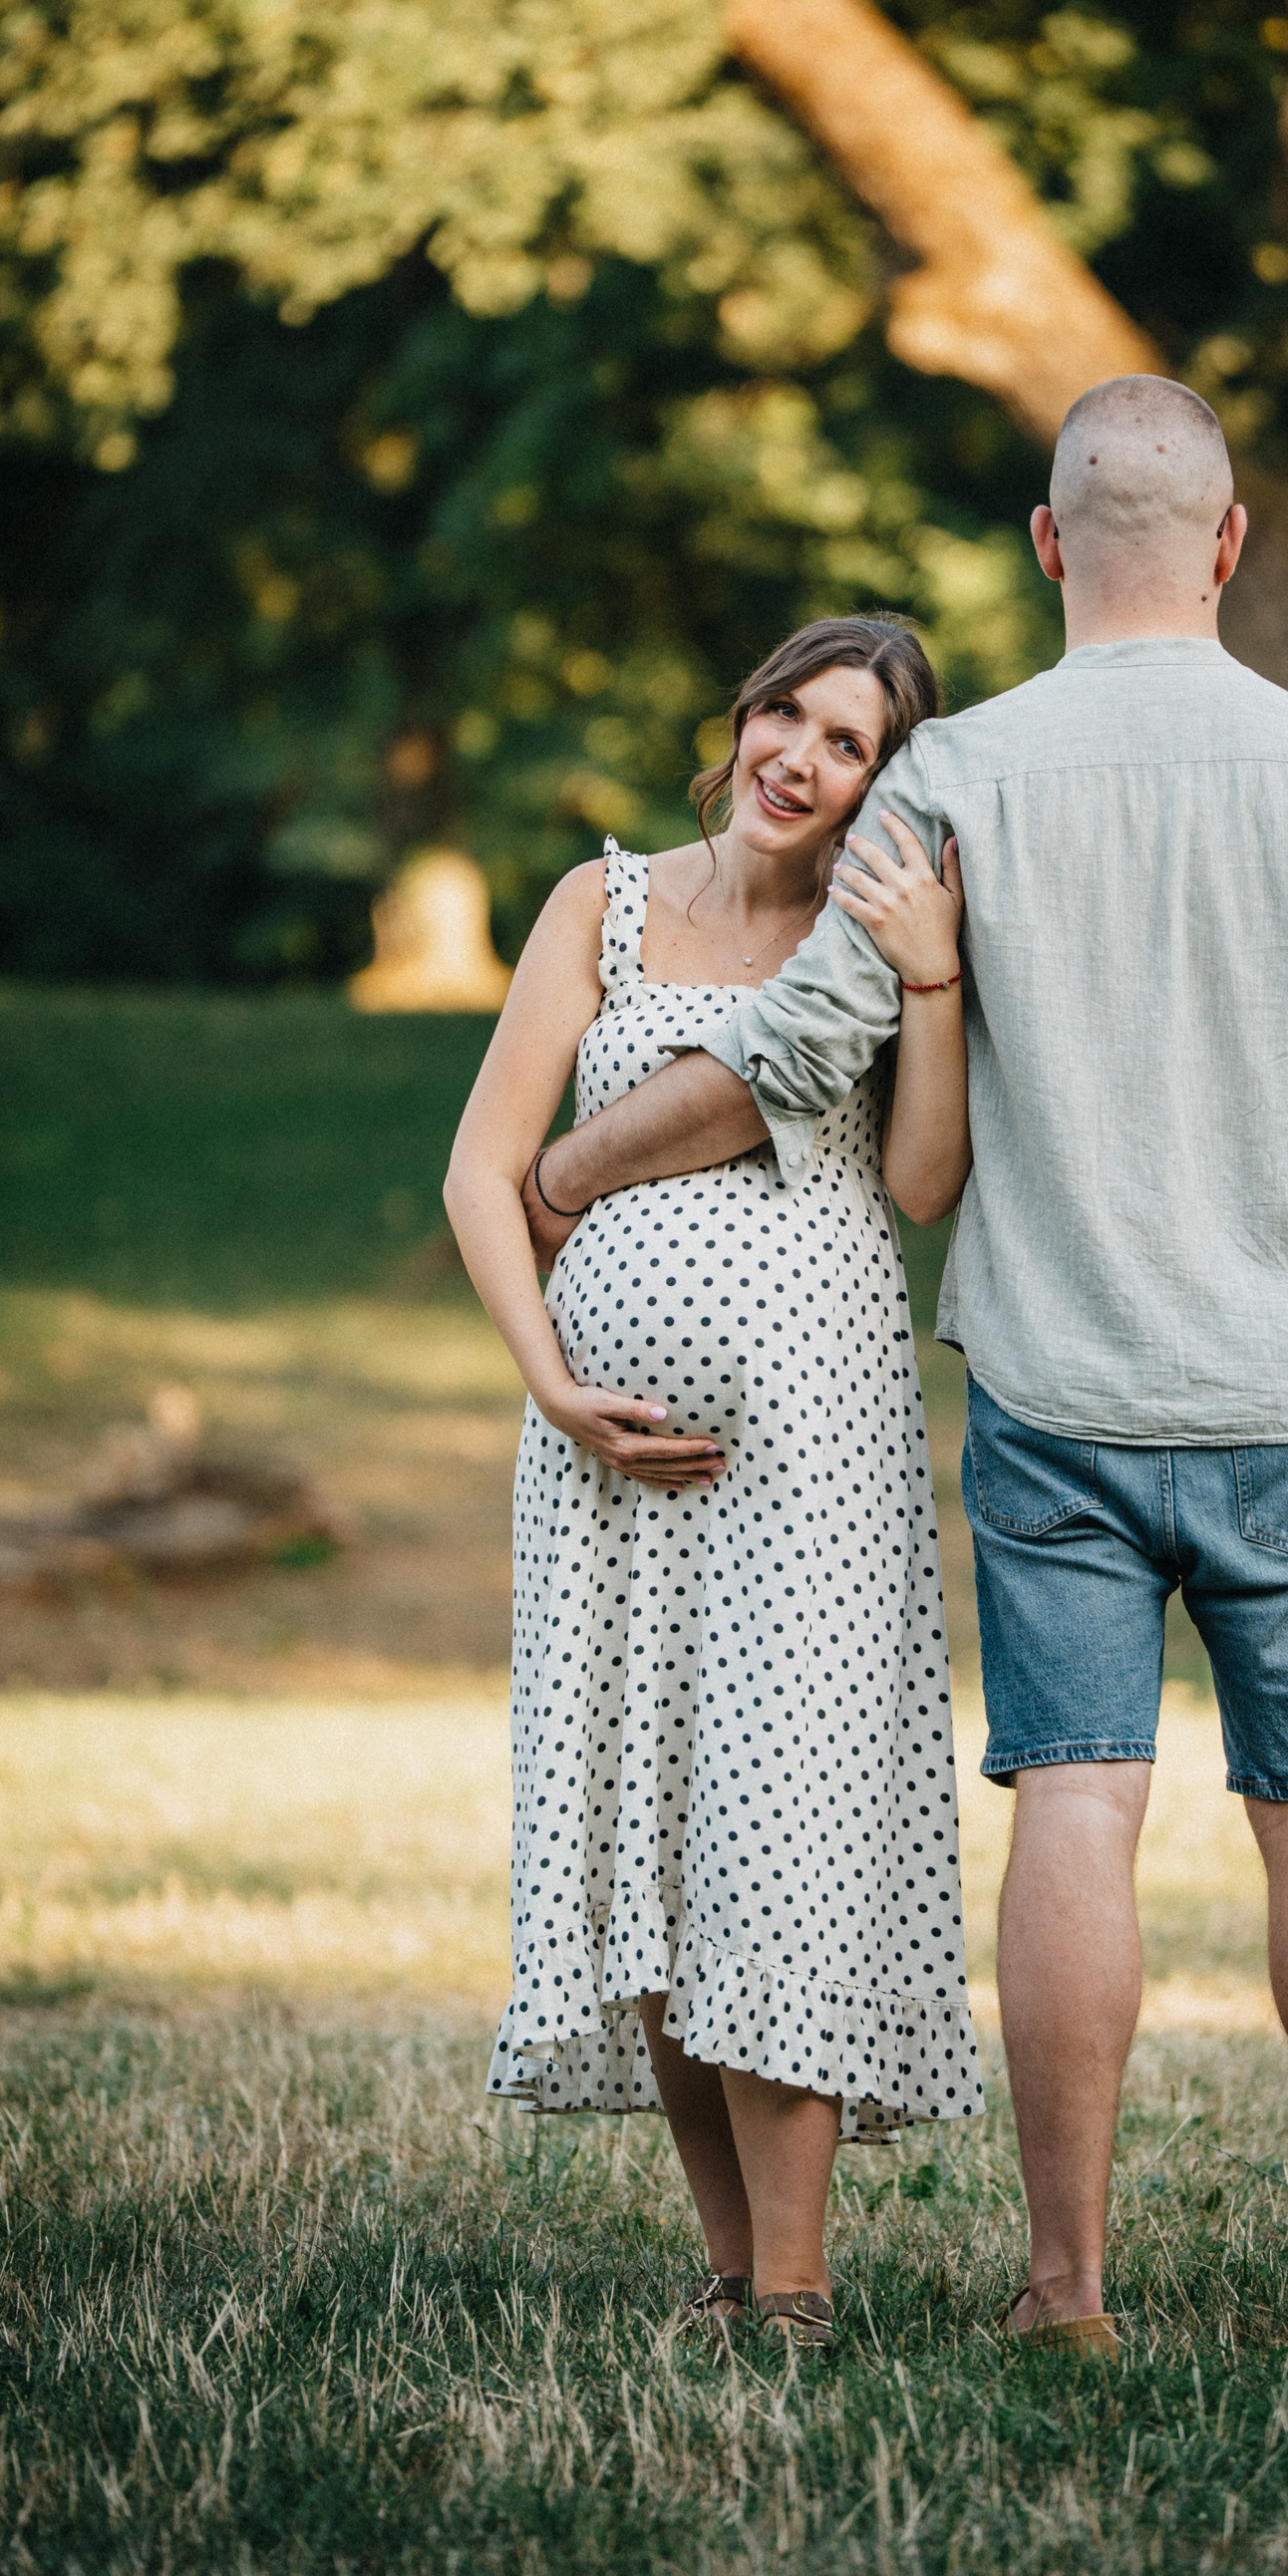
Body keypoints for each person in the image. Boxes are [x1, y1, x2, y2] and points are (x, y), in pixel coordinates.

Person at [521, 378, 1288, 2370]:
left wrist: (577, 1162)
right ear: (1225, 545)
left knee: (1079, 1807)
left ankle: (1067, 2291)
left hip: (1055, 1398)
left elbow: (793, 1051)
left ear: (1052, 547)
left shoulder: (955, 777)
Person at [445, 616, 984, 2359]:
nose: (802, 759)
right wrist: (554, 1384)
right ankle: (734, 2274)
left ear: (877, 787)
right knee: (669, 1848)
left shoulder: (875, 934)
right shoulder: (598, 905)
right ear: (742, 714)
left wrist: (933, 980)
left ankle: (806, 2291)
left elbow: (919, 1183)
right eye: (789, 715)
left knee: (791, 1845)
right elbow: (483, 1171)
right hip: (604, 1481)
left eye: (849, 745)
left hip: (819, 1461)